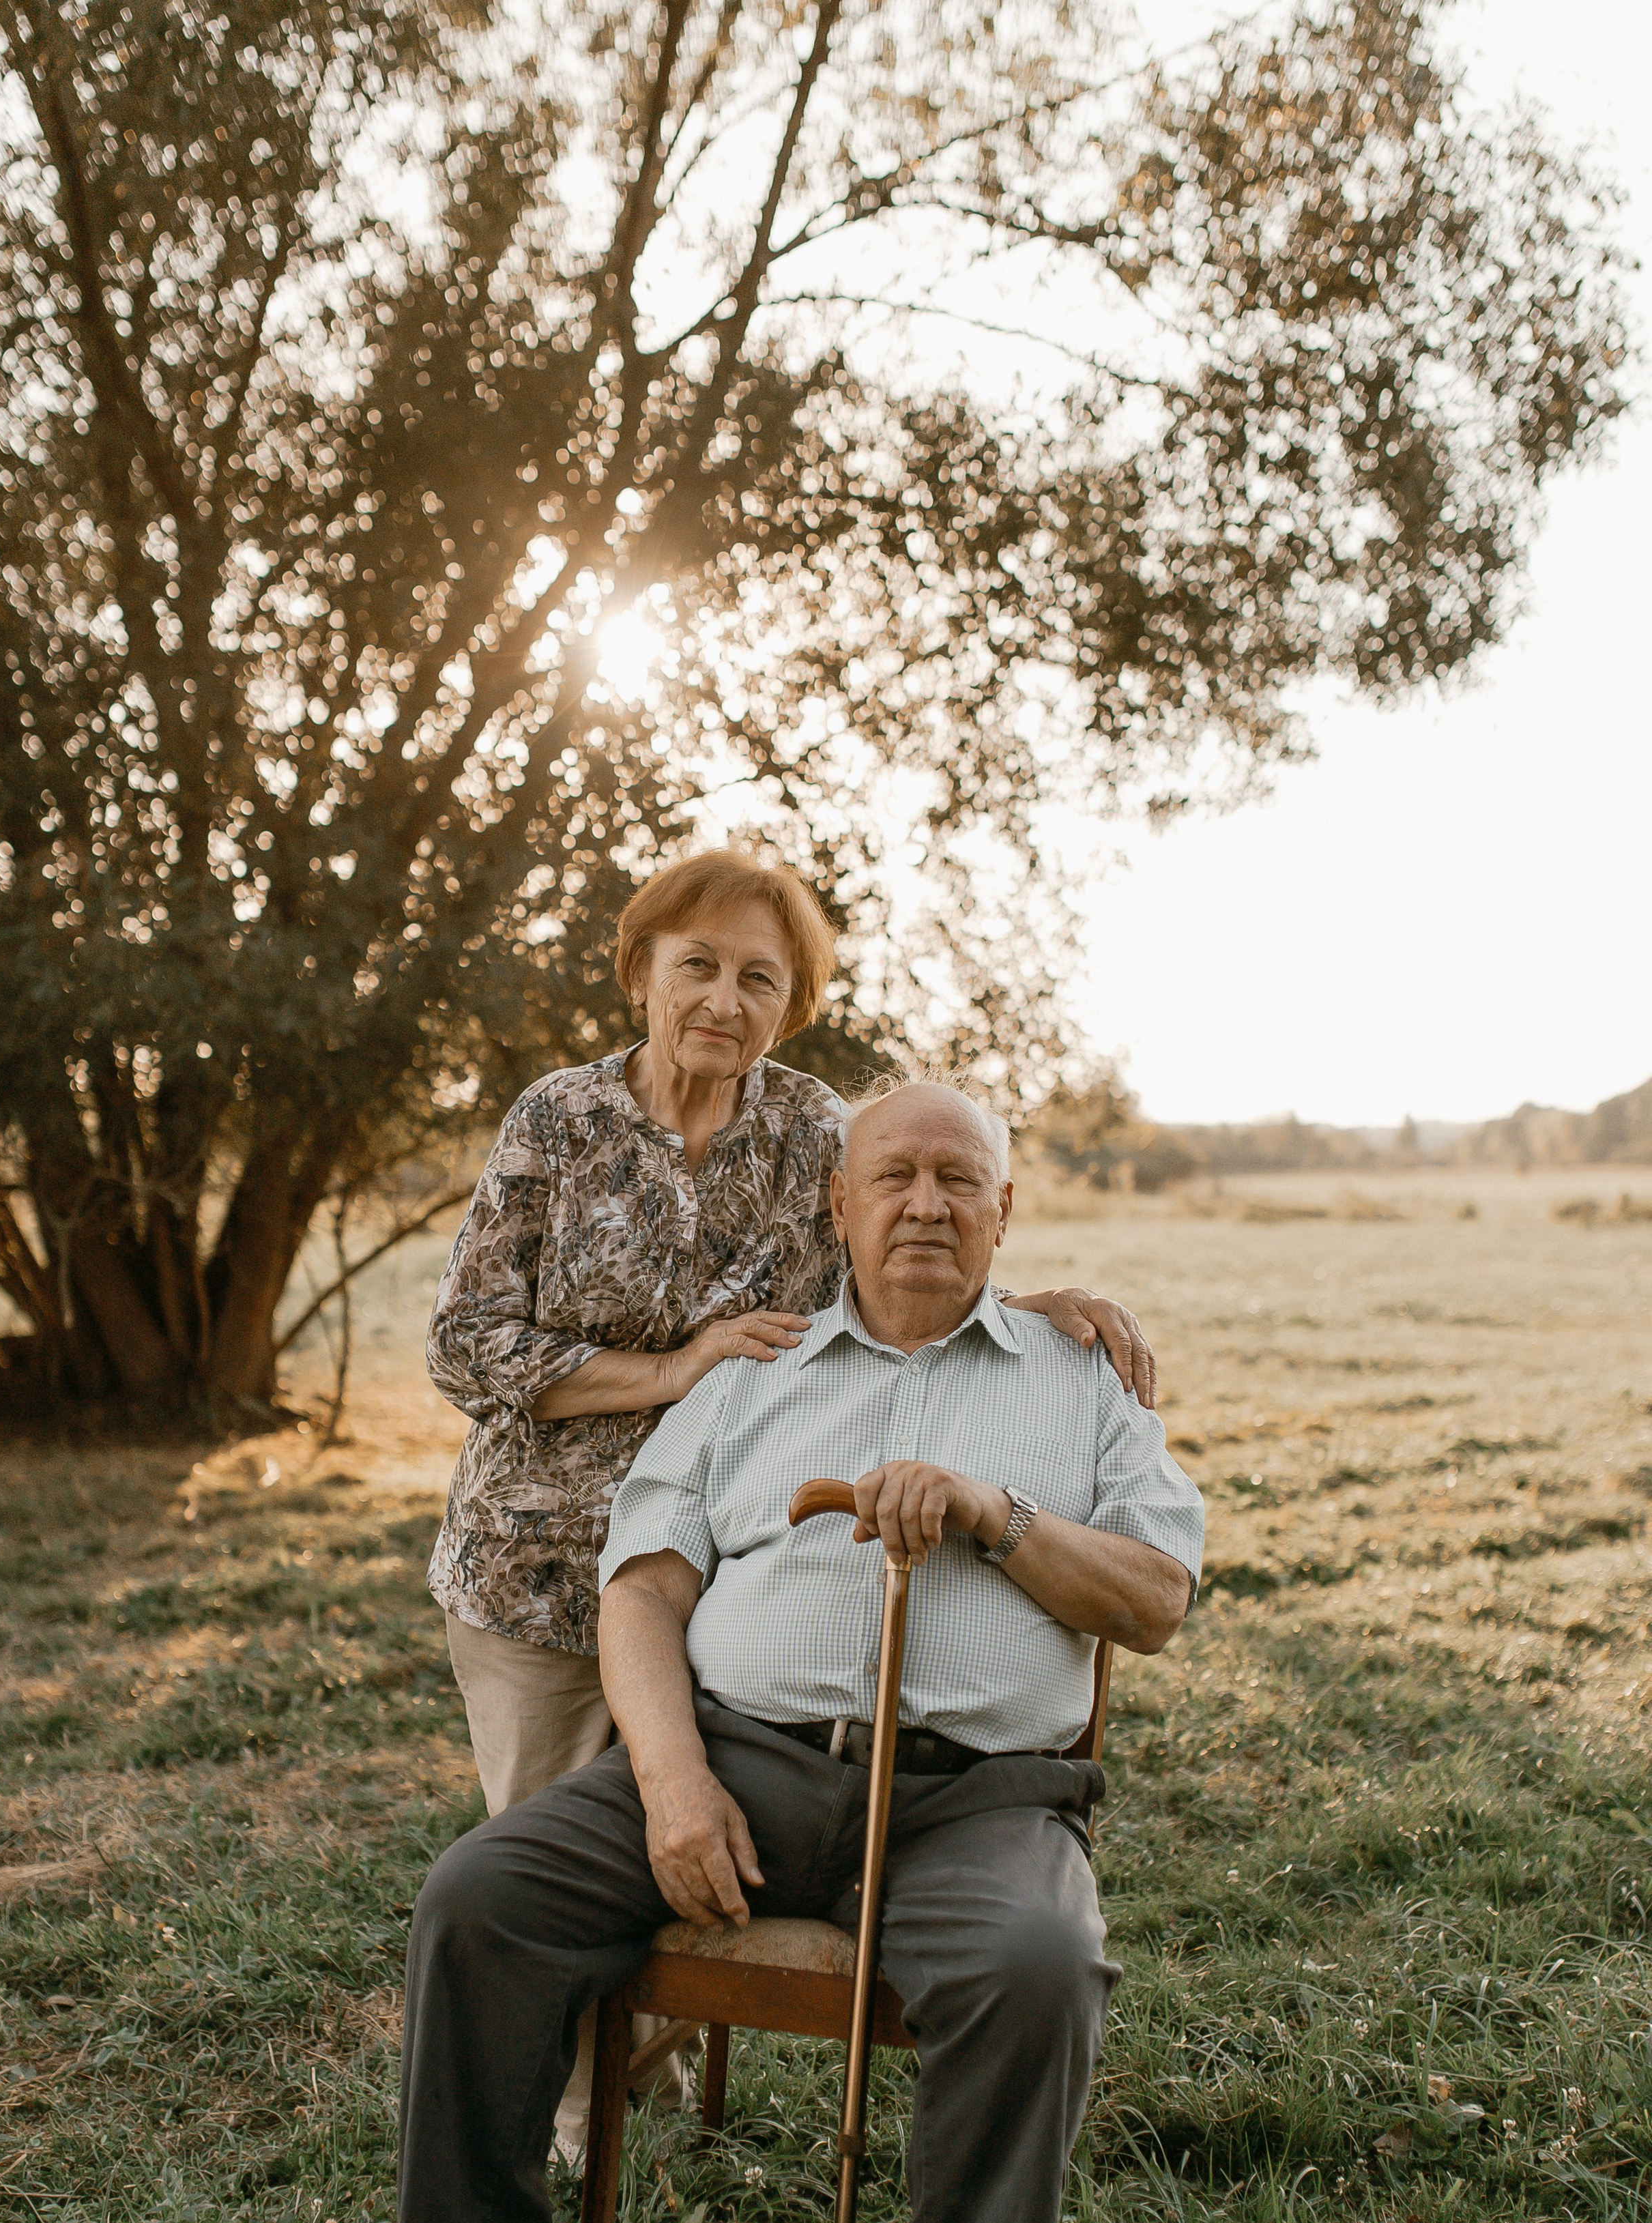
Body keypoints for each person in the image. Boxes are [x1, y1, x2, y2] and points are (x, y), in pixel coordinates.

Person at [309, 1079, 1204, 2223]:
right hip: (733, 1758)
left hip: (976, 1801)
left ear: (1003, 1209)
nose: (925, 1205)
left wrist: (995, 1517)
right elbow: (644, 1589)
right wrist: (666, 1782)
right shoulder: (750, 1377)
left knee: (1038, 1962)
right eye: (892, 1179)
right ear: (836, 1209)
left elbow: (1155, 1598)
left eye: (957, 1180)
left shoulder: (1075, 1380)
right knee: (482, 1897)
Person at [422, 845, 1157, 2147]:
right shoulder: (558, 1120)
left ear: (791, 1002)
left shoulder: (813, 1130)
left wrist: (1033, 1307)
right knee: (566, 1865)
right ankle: (584, 2125)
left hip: (746, 1551)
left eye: (759, 977)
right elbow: (466, 1345)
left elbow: (905, 1238)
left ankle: (652, 2078)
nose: (722, 998)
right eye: (696, 965)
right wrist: (675, 1365)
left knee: (713, 1840)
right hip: (542, 1565)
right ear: (642, 971)